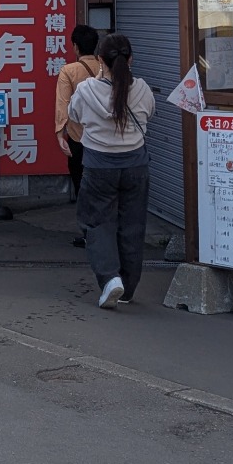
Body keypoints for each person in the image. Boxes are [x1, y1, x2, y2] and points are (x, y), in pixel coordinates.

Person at [68, 33, 155, 310]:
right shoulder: (142, 88)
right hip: (135, 165)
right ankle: (127, 287)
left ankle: (109, 279)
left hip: (99, 166)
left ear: (99, 61)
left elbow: (74, 115)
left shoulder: (86, 90)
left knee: (97, 223)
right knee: (132, 225)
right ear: (130, 59)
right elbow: (149, 114)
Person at [54, 24, 101, 247]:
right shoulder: (107, 67)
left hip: (78, 138)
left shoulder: (69, 71)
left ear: (75, 46)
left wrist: (59, 134)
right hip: (105, 139)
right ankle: (106, 231)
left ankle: (89, 232)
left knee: (82, 186)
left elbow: (62, 104)